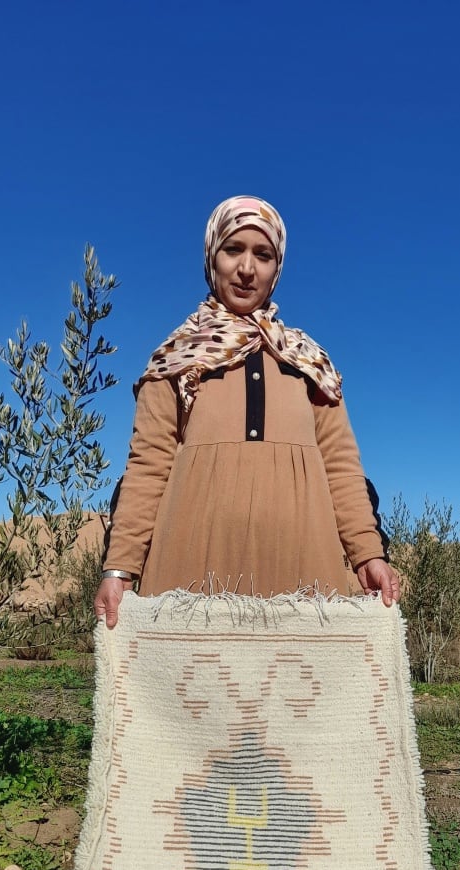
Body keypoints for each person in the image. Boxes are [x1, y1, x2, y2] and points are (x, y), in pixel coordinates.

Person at [94, 195, 399, 626]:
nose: (246, 268)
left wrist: (368, 554)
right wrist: (119, 568)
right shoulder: (175, 360)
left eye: (263, 255)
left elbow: (342, 469)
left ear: (278, 268)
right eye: (233, 249)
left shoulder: (310, 363)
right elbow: (147, 469)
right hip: (188, 574)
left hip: (304, 573)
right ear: (211, 257)